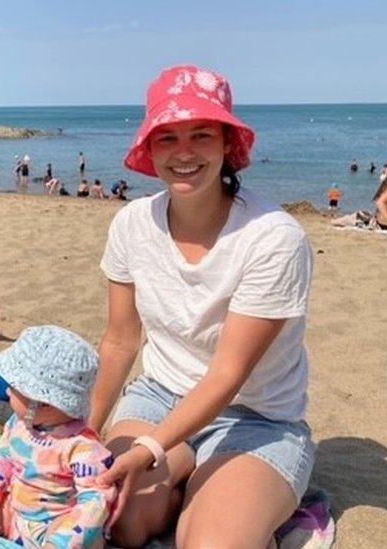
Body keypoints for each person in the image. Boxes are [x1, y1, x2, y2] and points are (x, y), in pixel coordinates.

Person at [91, 65, 316, 548]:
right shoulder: (132, 225)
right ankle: (181, 492)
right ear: (149, 149)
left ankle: (223, 502)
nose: (185, 152)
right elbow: (120, 339)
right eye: (167, 137)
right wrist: (82, 433)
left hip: (256, 418)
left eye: (201, 135)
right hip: (159, 395)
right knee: (117, 521)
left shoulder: (274, 239)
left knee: (212, 543)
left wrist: (151, 448)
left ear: (226, 145)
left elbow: (227, 374)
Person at [0, 326, 116, 549]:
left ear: (42, 403)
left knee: (85, 536)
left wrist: (59, 542)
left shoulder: (81, 447)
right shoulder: (19, 424)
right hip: (15, 515)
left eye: (14, 387)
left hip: (54, 526)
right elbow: (4, 457)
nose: (7, 392)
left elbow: (95, 503)